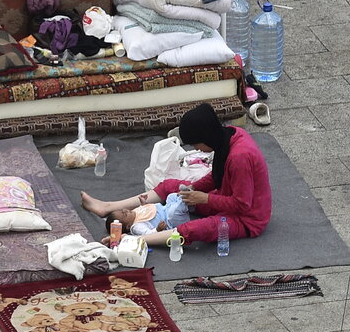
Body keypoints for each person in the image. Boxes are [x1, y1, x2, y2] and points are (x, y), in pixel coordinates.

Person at [81, 102, 271, 248]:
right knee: (171, 186)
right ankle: (109, 207)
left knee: (201, 228)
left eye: (196, 144)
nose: (196, 149)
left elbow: (242, 204)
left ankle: (137, 240)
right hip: (224, 194)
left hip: (248, 218)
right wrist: (194, 189)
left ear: (207, 136)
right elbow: (216, 178)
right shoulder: (228, 136)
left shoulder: (239, 157)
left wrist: (205, 199)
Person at [104, 192, 190, 238]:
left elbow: (146, 211)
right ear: (128, 226)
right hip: (171, 221)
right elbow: (148, 234)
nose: (126, 210)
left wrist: (144, 203)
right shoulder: (137, 226)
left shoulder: (134, 213)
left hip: (165, 208)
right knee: (173, 212)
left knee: (171, 197)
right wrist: (158, 229)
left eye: (123, 210)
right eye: (124, 214)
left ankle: (184, 200)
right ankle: (184, 201)